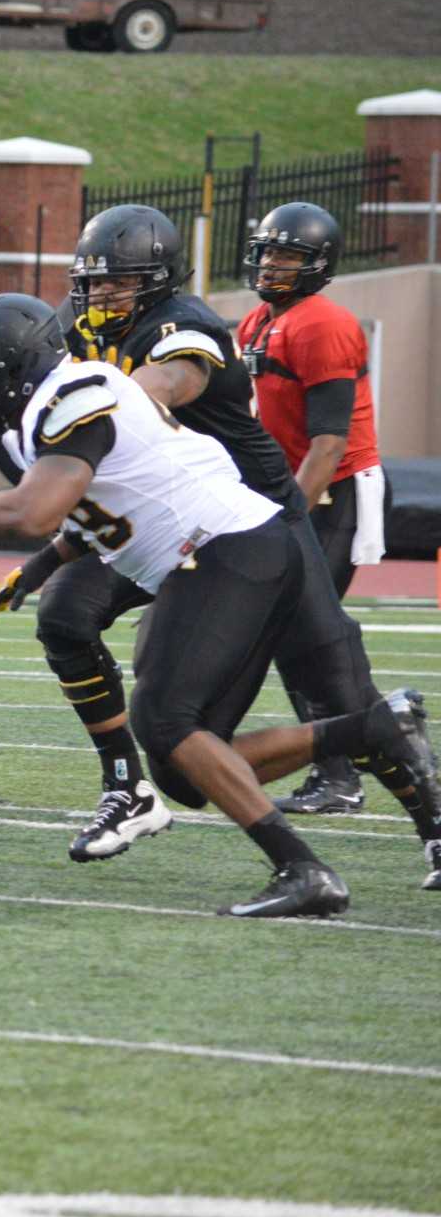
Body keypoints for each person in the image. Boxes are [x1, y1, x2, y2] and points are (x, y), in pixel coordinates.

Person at [0, 292, 441, 914]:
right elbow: (102, 509)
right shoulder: (63, 403)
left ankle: (303, 868)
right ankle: (371, 728)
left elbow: (32, 511)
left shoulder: (72, 397)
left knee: (162, 719)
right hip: (242, 547)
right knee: (185, 769)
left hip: (225, 549)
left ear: (16, 366)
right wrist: (40, 569)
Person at [0, 203, 415, 866]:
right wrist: (40, 557)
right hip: (158, 520)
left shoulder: (185, 325)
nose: (100, 294)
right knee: (65, 612)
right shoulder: (77, 329)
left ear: (157, 279)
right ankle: (126, 789)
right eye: (92, 281)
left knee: (333, 676)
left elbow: (172, 379)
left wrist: (112, 394)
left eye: (117, 281)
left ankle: (432, 822)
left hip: (247, 516)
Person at [236, 202, 386, 816]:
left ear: (317, 265)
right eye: (269, 252)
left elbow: (327, 441)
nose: (273, 264)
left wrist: (290, 518)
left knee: (307, 632)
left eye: (289, 255)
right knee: (307, 636)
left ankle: (346, 768)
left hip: (336, 490)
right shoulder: (256, 322)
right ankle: (373, 751)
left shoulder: (322, 323)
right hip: (295, 490)